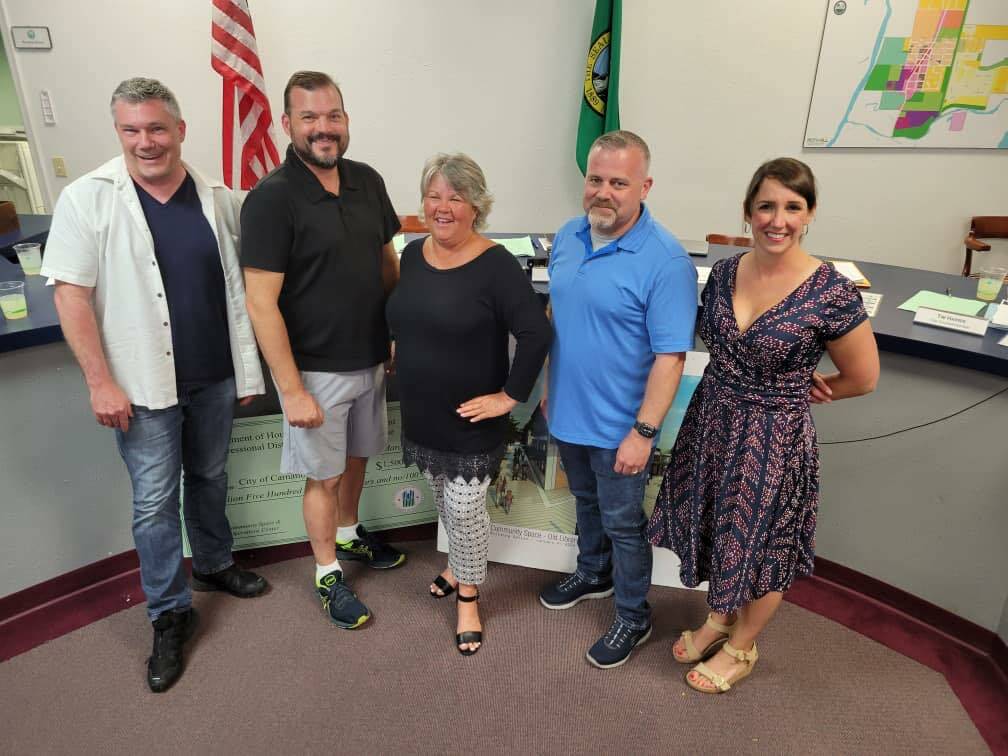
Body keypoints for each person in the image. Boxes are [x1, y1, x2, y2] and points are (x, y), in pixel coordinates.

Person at [40, 77, 268, 693]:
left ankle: (216, 565)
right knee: (153, 505)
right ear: (118, 132)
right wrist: (100, 383)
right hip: (140, 387)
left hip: (216, 376)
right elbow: (72, 295)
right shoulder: (88, 198)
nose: (146, 142)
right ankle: (169, 613)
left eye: (157, 128)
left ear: (180, 129)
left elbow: (241, 286)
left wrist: (248, 366)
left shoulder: (218, 195)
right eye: (132, 130)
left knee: (213, 477)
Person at [647, 157, 880, 694]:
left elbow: (863, 378)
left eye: (792, 208)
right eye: (766, 206)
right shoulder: (727, 270)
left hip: (773, 438)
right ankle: (719, 617)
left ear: (810, 214)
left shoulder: (831, 292)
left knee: (762, 545)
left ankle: (741, 646)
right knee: (719, 533)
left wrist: (810, 390)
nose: (778, 220)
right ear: (748, 212)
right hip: (713, 422)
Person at [241, 71, 403, 630]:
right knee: (323, 477)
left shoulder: (368, 181)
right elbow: (261, 302)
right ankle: (327, 572)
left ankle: (350, 535)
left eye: (332, 116)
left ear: (346, 120)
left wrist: (395, 329)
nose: (323, 128)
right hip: (315, 371)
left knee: (358, 459)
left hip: (369, 357)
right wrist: (290, 389)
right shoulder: (271, 199)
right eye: (309, 118)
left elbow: (387, 261)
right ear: (287, 125)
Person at [539, 131, 698, 669]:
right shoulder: (566, 236)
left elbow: (670, 358)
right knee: (585, 504)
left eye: (618, 182)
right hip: (567, 413)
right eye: (595, 179)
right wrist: (547, 389)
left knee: (625, 524)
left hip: (622, 428)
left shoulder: (665, 261)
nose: (603, 192)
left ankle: (633, 613)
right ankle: (593, 573)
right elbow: (557, 319)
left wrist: (644, 431)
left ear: (645, 186)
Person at [386, 153, 551, 655]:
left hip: (471, 419)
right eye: (434, 196)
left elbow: (536, 331)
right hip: (422, 410)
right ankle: (457, 564)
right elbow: (406, 312)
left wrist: (509, 396)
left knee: (464, 509)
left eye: (455, 197)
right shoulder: (412, 254)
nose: (442, 207)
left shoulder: (495, 265)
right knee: (442, 498)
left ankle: (469, 594)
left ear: (475, 206)